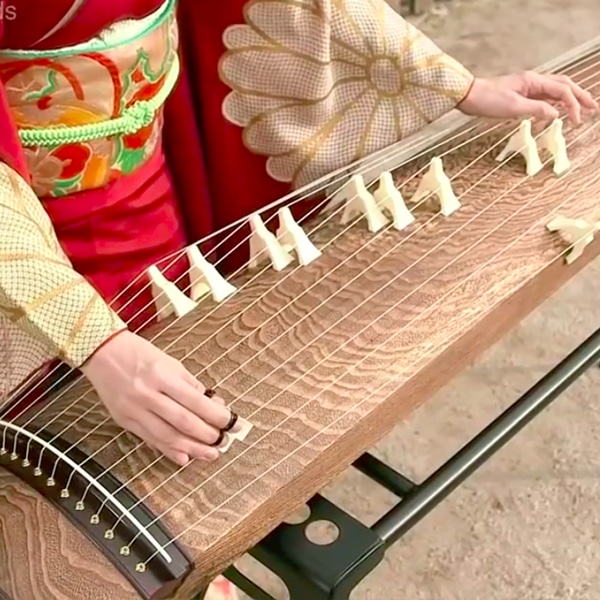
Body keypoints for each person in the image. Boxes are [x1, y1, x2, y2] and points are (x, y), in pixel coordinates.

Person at [0, 1, 596, 598]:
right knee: (54, 458)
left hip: (151, 187)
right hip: (19, 225)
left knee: (197, 396)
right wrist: (89, 336)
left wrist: (459, 85)